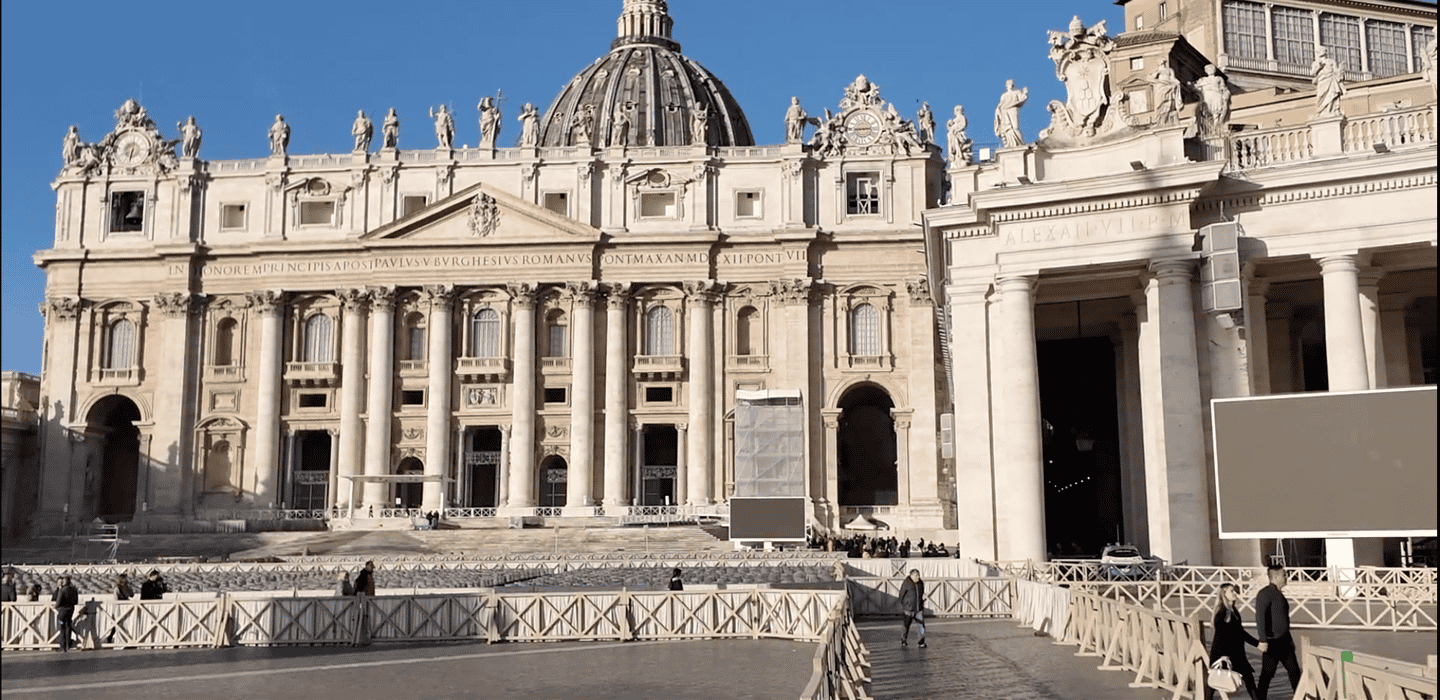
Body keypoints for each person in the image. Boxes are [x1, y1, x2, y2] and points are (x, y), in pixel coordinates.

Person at [1206, 582, 1260, 699]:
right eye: (1231, 591)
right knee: (1214, 682)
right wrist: (1223, 655)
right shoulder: (1223, 613)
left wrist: (1257, 643)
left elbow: (1239, 632)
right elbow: (1221, 635)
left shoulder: (1232, 611)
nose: (1235, 593)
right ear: (1224, 594)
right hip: (1225, 654)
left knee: (1248, 680)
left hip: (1235, 653)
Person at [1255, 566, 1301, 700]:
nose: (1286, 577)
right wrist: (1262, 640)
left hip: (1284, 641)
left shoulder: (1278, 593)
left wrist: (1290, 639)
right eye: (1283, 574)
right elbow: (1260, 617)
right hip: (1272, 642)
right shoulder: (1265, 593)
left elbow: (1283, 620)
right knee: (1267, 674)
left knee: (1294, 671)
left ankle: (1299, 696)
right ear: (1275, 577)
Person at [1311, 47, 1346, 118]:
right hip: (1322, 82)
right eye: (1320, 50)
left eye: (1323, 50)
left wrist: (1340, 68)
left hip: (1331, 80)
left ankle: (1330, 110)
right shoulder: (1315, 63)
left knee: (1332, 95)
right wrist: (1319, 67)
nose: (1322, 52)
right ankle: (1320, 111)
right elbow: (1312, 73)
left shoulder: (1331, 61)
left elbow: (1336, 72)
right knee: (1321, 96)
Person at [994, 79, 1029, 148]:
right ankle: (1010, 144)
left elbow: (1022, 98)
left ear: (1012, 85)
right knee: (1008, 128)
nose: (1010, 85)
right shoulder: (1004, 95)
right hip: (1005, 111)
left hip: (1013, 110)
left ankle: (1018, 143)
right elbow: (1001, 104)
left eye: (1011, 83)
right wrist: (998, 109)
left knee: (1015, 127)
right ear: (1006, 85)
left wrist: (1025, 93)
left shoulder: (1016, 92)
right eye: (1008, 83)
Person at [898, 569, 927, 648]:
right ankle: (903, 640)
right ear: (911, 576)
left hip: (919, 609)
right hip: (908, 609)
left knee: (921, 625)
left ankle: (921, 641)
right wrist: (905, 606)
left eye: (918, 575)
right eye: (916, 576)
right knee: (906, 625)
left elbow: (922, 594)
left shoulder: (920, 583)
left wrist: (921, 603)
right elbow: (901, 595)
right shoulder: (906, 583)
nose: (918, 577)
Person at [352, 561, 376, 646]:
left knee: (366, 618)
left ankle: (365, 637)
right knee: (363, 617)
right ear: (367, 566)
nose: (372, 568)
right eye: (371, 567)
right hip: (364, 599)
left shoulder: (367, 575)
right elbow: (360, 587)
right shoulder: (364, 575)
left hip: (368, 599)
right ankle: (362, 638)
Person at [53, 575, 79, 652]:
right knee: (68, 627)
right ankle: (68, 645)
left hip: (62, 612)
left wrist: (55, 607)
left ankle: (62, 646)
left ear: (64, 582)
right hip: (70, 611)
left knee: (61, 627)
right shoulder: (74, 590)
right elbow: (76, 601)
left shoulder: (62, 590)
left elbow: (58, 602)